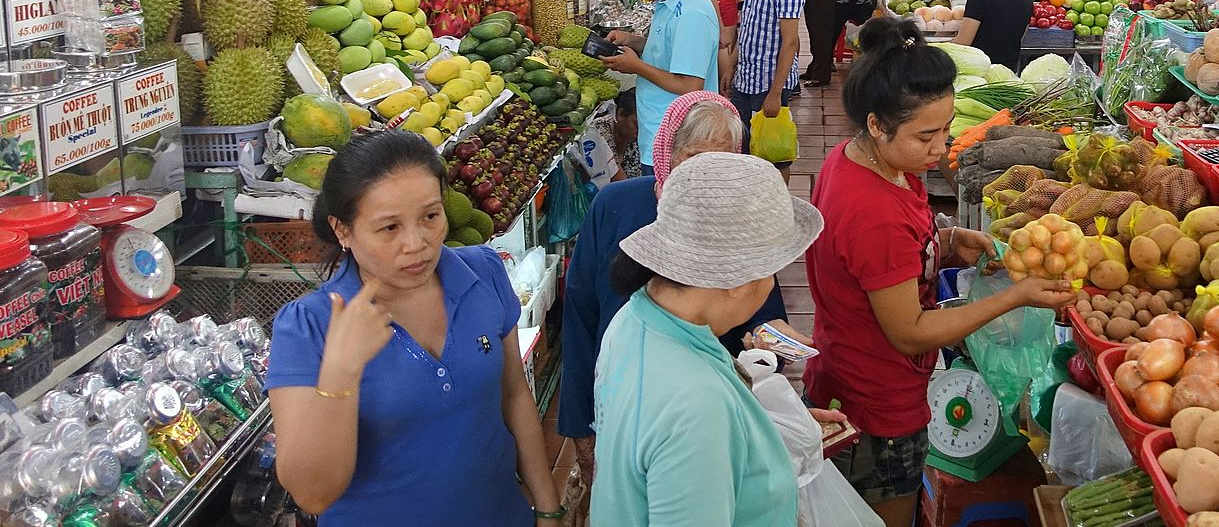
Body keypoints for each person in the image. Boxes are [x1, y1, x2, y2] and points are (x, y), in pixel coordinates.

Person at [804, 18, 1076, 526]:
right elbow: (909, 332)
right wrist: (1013, 297)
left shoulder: (873, 162)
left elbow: (889, 263)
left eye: (945, 128)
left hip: (856, 372)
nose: (940, 146)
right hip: (875, 404)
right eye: (926, 135)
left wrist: (949, 243)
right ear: (877, 124)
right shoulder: (872, 212)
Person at [266, 132, 565, 525]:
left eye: (430, 216)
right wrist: (341, 371)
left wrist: (546, 505)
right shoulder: (308, 327)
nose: (417, 243)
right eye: (389, 228)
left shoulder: (483, 272)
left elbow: (514, 396)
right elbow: (312, 495)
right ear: (343, 230)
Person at [560, 93, 787, 488]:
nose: (704, 176)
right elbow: (580, 315)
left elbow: (765, 314)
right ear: (667, 153)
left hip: (705, 415)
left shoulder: (738, 221)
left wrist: (771, 341)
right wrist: (580, 426)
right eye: (693, 159)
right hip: (618, 398)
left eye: (721, 163)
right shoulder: (615, 206)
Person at [592, 152, 823, 527]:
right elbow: (689, 427)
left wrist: (761, 433)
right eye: (773, 272)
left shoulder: (636, 317)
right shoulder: (698, 406)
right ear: (739, 281)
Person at [599, 0, 721, 180]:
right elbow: (669, 50)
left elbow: (690, 85)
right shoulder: (671, 1)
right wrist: (632, 41)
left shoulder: (692, 14)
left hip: (675, 142)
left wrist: (636, 67)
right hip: (659, 134)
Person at [725, 0, 804, 162]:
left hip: (769, 82)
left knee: (773, 152)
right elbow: (748, 25)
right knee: (743, 144)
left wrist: (775, 93)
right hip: (745, 77)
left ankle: (776, 199)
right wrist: (732, 65)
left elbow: (790, 41)